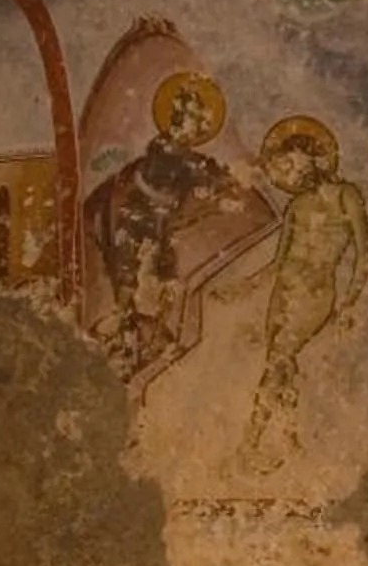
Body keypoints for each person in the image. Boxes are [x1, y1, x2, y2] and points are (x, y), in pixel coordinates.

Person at [84, 68, 254, 377]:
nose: (191, 124)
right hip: (134, 219)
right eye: (188, 116)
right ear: (177, 118)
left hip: (158, 224)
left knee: (166, 279)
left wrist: (222, 193)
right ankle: (123, 336)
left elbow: (197, 179)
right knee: (128, 278)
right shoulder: (166, 148)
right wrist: (227, 178)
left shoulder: (185, 156)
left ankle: (144, 341)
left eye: (196, 119)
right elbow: (195, 169)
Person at [240, 117, 368, 472]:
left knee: (278, 360)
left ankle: (250, 440)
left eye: (294, 163)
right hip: (283, 291)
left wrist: (349, 302)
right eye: (285, 167)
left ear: (314, 156)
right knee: (282, 363)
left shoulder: (346, 196)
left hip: (315, 293)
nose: (291, 172)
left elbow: (365, 252)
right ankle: (290, 439)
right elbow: (277, 262)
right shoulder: (296, 206)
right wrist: (245, 285)